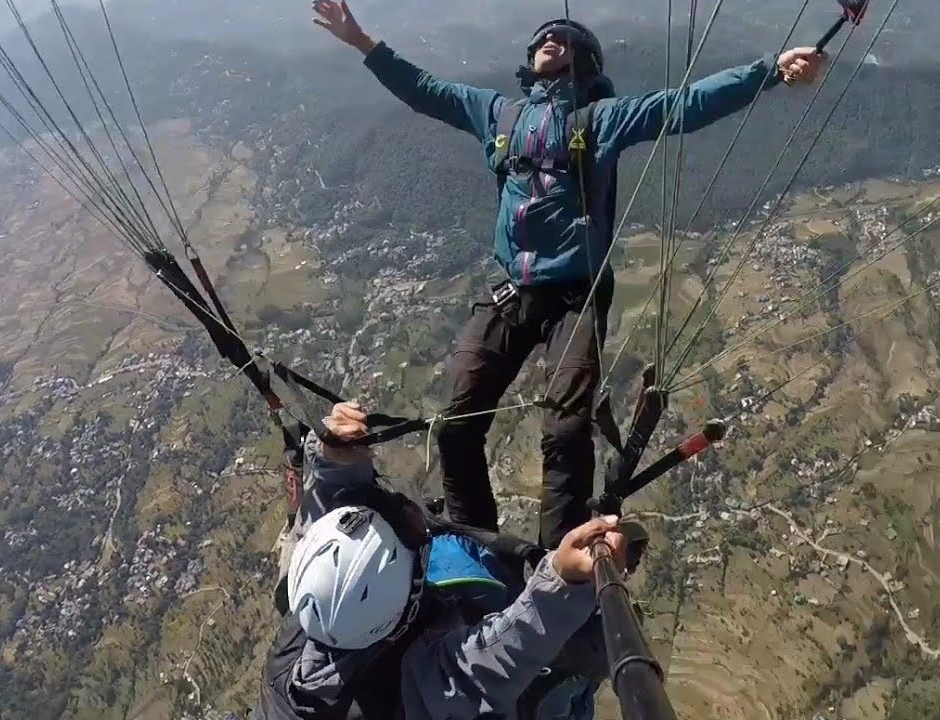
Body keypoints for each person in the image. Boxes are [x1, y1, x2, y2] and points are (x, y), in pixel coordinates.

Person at [312, 0, 826, 549]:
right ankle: (473, 543)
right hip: (515, 291)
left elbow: (687, 104)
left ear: (585, 62)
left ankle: (556, 564)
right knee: (458, 418)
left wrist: (770, 70)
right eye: (543, 39)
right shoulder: (499, 115)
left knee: (566, 428)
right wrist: (363, 42)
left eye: (564, 39)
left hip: (576, 296)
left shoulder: (600, 119)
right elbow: (426, 90)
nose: (550, 41)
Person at [252, 401, 630, 719]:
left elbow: (324, 536)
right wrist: (563, 582)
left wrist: (336, 462)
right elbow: (502, 652)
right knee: (568, 665)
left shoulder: (312, 617)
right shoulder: (418, 687)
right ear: (399, 612)